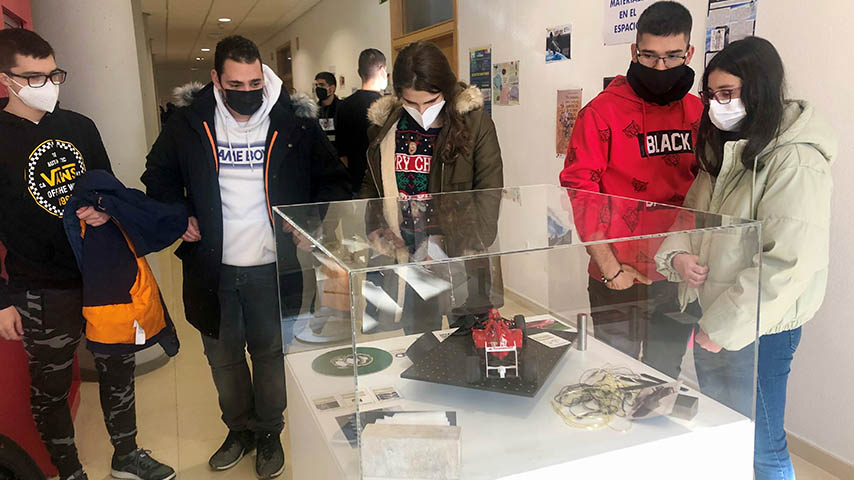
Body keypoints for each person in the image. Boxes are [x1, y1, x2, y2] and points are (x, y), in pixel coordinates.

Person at [141, 35, 349, 478]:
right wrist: (179, 214)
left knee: (272, 355)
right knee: (223, 358)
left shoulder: (293, 120)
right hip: (212, 268)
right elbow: (156, 176)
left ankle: (270, 432)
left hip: (274, 268)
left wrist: (308, 222)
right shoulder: (189, 122)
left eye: (255, 81)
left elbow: (333, 180)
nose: (247, 91)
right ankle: (239, 430)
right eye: (236, 83)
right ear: (216, 79)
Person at [656, 36, 834, 480]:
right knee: (723, 432)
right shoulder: (727, 148)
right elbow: (689, 220)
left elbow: (789, 261)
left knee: (762, 445)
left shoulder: (794, 158)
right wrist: (677, 257)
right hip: (714, 314)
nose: (717, 105)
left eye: (728, 94)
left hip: (759, 327)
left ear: (759, 89)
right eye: (711, 95)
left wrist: (721, 328)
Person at [0, 28, 175, 480]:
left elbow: (107, 190)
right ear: (7, 80)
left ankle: (127, 455)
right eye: (35, 77)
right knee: (52, 388)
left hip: (101, 273)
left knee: (118, 367)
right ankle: (69, 469)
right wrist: (1, 299)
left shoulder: (79, 126)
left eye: (54, 73)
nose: (49, 84)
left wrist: (104, 211)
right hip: (41, 286)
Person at [558, 1, 703, 377]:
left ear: (689, 53)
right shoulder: (601, 112)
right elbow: (581, 190)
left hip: (677, 274)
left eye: (672, 57)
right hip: (618, 274)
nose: (660, 68)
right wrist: (609, 269)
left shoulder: (698, 113)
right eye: (649, 56)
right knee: (613, 374)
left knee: (664, 375)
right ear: (633, 52)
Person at [359, 41, 504, 334]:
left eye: (430, 101)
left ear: (446, 90)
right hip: (407, 255)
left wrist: (465, 242)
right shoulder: (387, 126)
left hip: (459, 253)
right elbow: (371, 182)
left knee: (468, 340)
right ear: (399, 95)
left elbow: (489, 189)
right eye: (411, 103)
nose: (421, 110)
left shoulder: (475, 125)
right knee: (419, 340)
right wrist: (375, 226)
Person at [336, 48, 387, 196]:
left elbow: (342, 152)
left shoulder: (344, 105)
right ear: (382, 70)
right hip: (380, 181)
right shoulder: (385, 105)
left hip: (355, 181)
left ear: (359, 72)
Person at [314, 71, 339, 147]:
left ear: (332, 89)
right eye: (316, 85)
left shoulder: (342, 108)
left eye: (322, 85)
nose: (318, 88)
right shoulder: (314, 110)